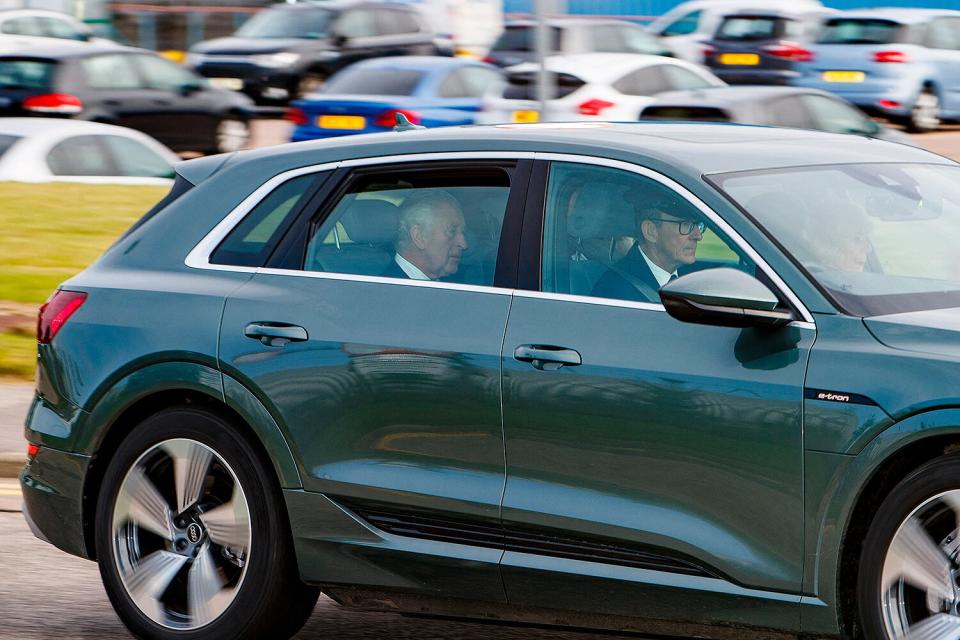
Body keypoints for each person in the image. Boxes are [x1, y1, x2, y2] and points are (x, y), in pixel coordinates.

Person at [591, 198, 704, 302]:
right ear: (650, 231)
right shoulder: (617, 292)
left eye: (698, 225)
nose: (698, 236)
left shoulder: (693, 277)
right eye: (685, 224)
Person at [383, 190, 468, 281]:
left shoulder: (457, 283)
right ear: (419, 236)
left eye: (463, 232)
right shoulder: (386, 292)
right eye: (452, 231)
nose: (464, 244)